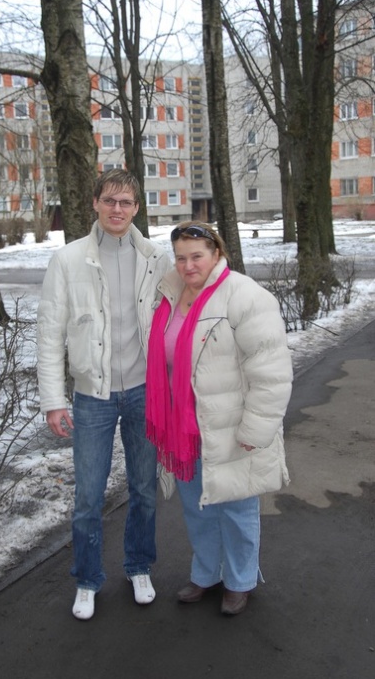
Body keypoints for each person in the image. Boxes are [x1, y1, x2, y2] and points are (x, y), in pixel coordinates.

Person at [37, 169, 171, 620]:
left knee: (144, 489)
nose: (118, 209)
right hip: (92, 396)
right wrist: (55, 399)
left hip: (143, 392)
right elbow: (49, 334)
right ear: (95, 203)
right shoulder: (68, 259)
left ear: (137, 207)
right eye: (110, 200)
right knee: (88, 497)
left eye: (127, 202)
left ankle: (138, 566)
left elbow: (176, 321)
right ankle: (87, 578)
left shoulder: (156, 258)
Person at [146, 221, 293, 615]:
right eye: (180, 257)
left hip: (229, 424)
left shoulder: (244, 296)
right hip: (185, 427)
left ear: (217, 254)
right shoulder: (170, 294)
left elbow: (271, 371)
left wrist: (256, 428)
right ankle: (207, 572)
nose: (188, 265)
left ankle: (240, 580)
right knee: (196, 506)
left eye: (197, 256)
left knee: (236, 507)